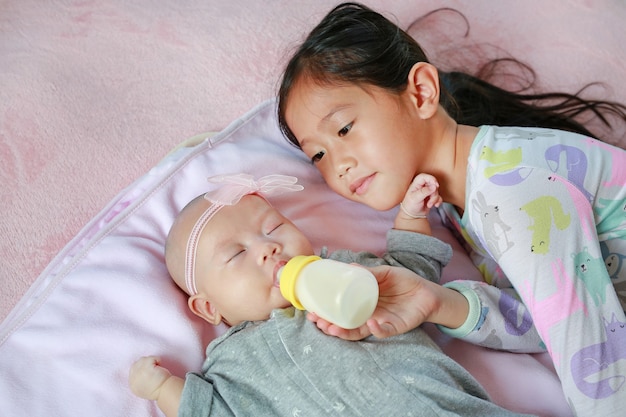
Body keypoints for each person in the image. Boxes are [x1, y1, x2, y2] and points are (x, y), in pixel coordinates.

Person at [276, 3, 626, 416]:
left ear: (421, 93)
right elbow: (550, 321)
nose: (339, 164)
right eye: (318, 154)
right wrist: (437, 302)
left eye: (345, 129)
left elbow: (598, 360)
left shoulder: (508, 191)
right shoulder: (454, 207)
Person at [129, 173, 533, 417]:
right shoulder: (233, 363)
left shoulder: (344, 269)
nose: (268, 248)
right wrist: (161, 388)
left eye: (272, 228)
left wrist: (411, 214)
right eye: (236, 254)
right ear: (208, 307)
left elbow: (411, 277)